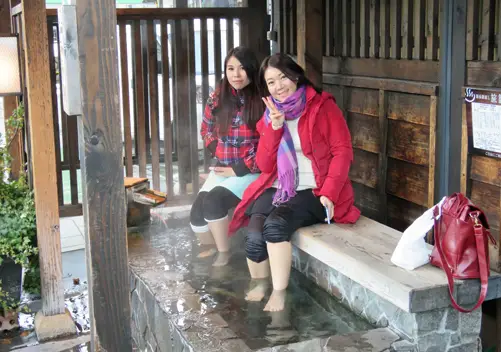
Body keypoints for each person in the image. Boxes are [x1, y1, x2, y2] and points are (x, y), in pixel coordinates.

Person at [228, 53, 361, 311]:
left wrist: (330, 193)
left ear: (296, 75)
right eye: (271, 82)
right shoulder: (271, 115)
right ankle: (260, 284)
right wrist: (275, 128)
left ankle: (279, 293)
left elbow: (342, 152)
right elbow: (266, 165)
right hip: (280, 187)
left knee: (276, 225)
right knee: (254, 234)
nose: (279, 86)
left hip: (316, 189)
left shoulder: (323, 107)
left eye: (283, 77)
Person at [190, 46, 264, 267]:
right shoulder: (218, 96)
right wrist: (220, 153)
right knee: (196, 214)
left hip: (252, 170)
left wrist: (239, 168)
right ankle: (210, 247)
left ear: (252, 70)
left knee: (214, 202)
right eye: (230, 68)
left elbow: (269, 146)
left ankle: (224, 254)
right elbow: (206, 130)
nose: (236, 75)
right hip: (224, 167)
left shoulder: (263, 99)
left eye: (242, 68)